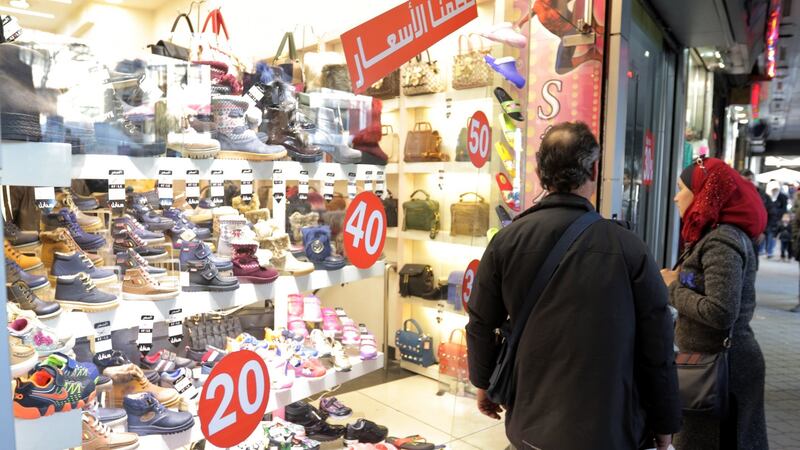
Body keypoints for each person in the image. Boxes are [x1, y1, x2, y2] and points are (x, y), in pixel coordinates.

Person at [466, 122, 681, 450]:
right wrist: (664, 422)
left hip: (530, 427)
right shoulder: (628, 247)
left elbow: (481, 322)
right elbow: (658, 344)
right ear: (594, 169)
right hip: (611, 430)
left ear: (540, 173)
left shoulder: (506, 241)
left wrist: (483, 381)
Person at [662, 157, 768, 449]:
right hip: (712, 366)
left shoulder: (722, 241)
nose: (675, 197)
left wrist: (673, 287)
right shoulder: (715, 235)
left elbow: (721, 311)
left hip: (721, 370)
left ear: (703, 194)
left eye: (681, 189)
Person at [764, 180, 788, 258]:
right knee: (768, 234)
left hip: (777, 219)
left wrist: (777, 213)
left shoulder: (782, 197)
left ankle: (769, 251)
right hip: (768, 219)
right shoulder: (767, 196)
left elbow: (784, 209)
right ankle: (768, 250)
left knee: (772, 235)